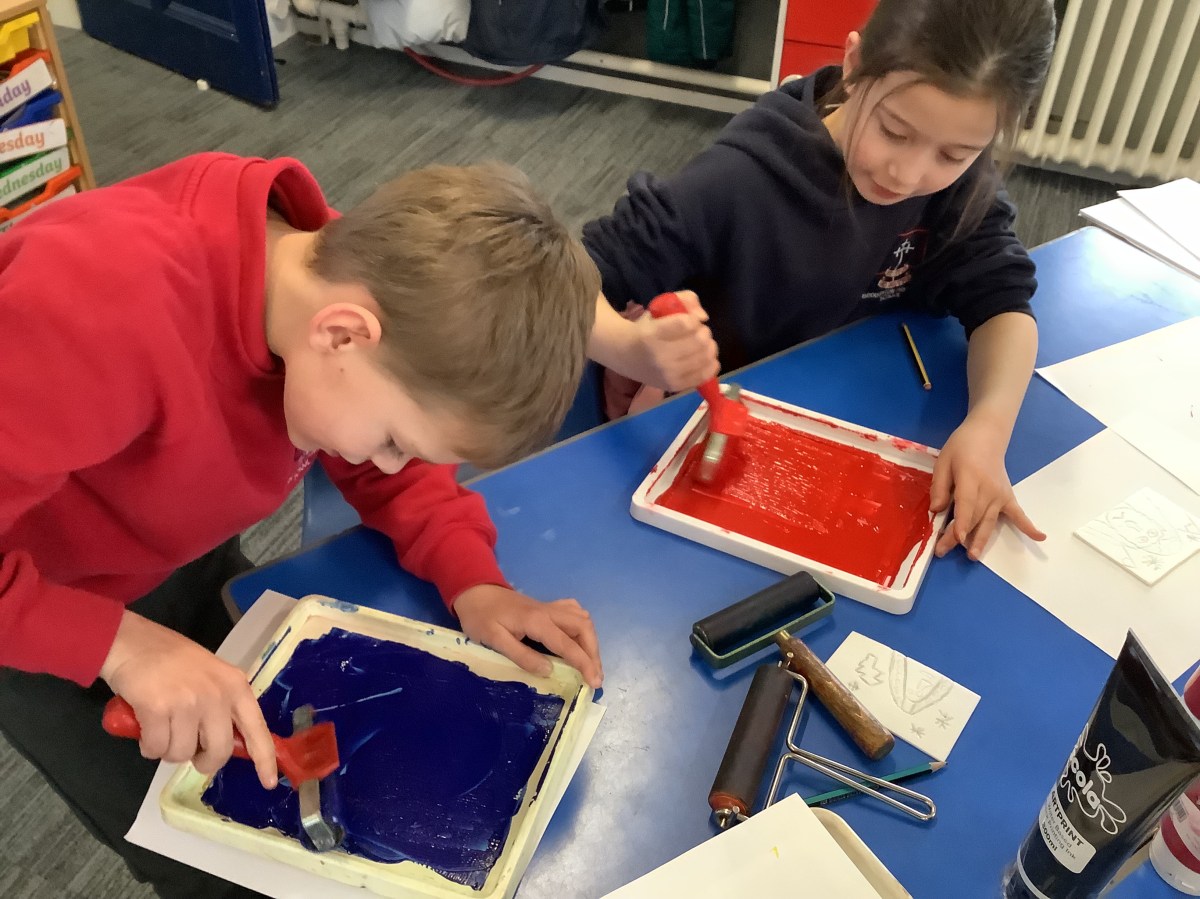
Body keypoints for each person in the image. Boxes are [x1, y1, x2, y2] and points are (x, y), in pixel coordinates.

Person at [0, 153, 603, 898]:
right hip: (31, 608)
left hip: (166, 546)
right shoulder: (95, 308)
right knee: (195, 851)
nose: (389, 462)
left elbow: (393, 469)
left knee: (262, 798)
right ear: (342, 335)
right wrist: (116, 642)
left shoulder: (349, 288)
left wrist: (473, 577)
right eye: (393, 439)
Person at [584, 0, 1058, 562]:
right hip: (715, 446)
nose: (907, 174)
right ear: (854, 65)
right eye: (893, 131)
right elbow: (561, 279)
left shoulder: (958, 182)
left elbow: (1003, 301)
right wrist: (626, 347)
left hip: (855, 419)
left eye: (955, 154)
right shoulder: (741, 177)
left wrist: (989, 427)